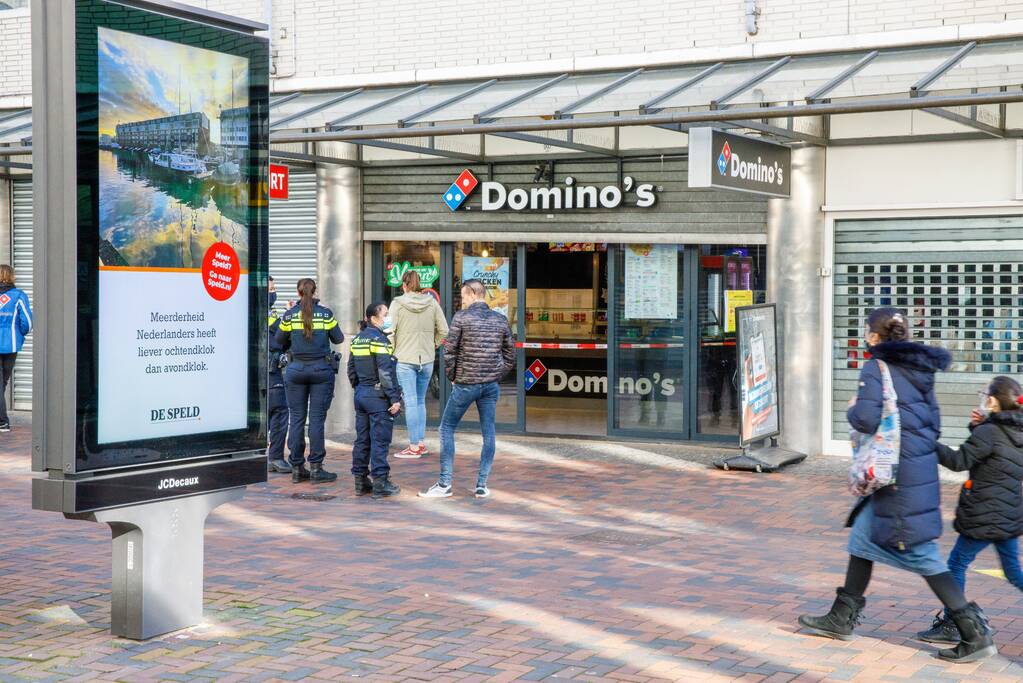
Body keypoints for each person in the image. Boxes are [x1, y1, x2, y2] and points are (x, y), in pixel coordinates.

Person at [797, 307, 996, 663]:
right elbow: (932, 424)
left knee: (921, 552)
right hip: (914, 467)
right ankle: (841, 618)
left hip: (895, 474)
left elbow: (867, 418)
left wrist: (852, 408)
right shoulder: (921, 369)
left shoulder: (876, 367)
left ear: (874, 336)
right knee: (862, 535)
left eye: (866, 332)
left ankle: (973, 633)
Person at [917, 375, 1023, 645]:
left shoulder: (990, 431)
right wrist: (980, 426)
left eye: (984, 394)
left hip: (985, 515)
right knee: (1013, 572)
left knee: (956, 564)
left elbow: (958, 460)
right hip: (1008, 513)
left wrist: (928, 441)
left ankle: (954, 623)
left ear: (992, 400)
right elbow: (995, 455)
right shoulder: (1015, 429)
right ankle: (953, 621)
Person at [419, 279, 514, 499]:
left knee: (446, 428)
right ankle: (481, 484)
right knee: (488, 432)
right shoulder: (500, 320)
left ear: (472, 294)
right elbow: (510, 354)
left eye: (463, 296)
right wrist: (497, 374)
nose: (462, 301)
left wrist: (453, 377)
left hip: (465, 384)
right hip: (490, 386)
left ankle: (444, 484)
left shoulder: (461, 318)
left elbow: (449, 351)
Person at [276, 278, 344, 484]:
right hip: (321, 370)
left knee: (296, 418)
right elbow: (338, 338)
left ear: (298, 293)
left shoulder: (289, 315)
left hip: (295, 370)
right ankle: (316, 467)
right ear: (315, 292)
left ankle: (297, 467)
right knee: (316, 420)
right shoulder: (326, 314)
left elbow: (279, 341)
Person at [389, 270, 448, 458]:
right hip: (427, 359)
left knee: (411, 402)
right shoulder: (432, 303)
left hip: (405, 359)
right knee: (420, 401)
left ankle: (414, 446)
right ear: (420, 284)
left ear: (404, 285)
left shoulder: (397, 304)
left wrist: (392, 351)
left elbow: (389, 332)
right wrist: (433, 345)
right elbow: (444, 330)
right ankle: (420, 443)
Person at [347, 302, 402, 498]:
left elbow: (351, 370)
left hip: (362, 394)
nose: (388, 318)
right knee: (380, 440)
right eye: (385, 314)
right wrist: (394, 398)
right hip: (378, 397)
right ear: (373, 318)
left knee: (362, 439)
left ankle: (360, 481)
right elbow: (386, 373)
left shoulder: (357, 339)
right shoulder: (380, 340)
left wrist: (360, 389)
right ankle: (380, 482)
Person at [0, 264, 32, 433]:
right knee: (2, 383)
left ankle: (2, 421)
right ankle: (2, 421)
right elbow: (27, 321)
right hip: (10, 345)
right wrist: (19, 334)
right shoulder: (18, 296)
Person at [266, 276, 291, 473]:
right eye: (271, 289)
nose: (274, 293)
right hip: (269, 370)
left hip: (262, 369)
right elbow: (280, 332)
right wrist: (291, 314)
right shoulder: (264, 312)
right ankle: (274, 457)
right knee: (279, 411)